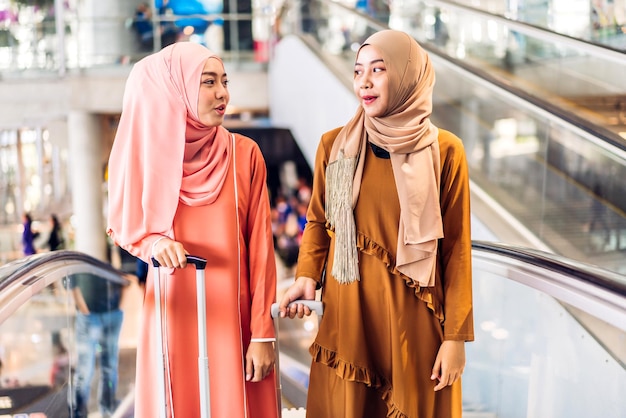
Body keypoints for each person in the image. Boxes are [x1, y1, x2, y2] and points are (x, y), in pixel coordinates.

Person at [278, 30, 474, 418]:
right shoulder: (335, 146)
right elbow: (319, 222)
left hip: (414, 326)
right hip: (349, 317)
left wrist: (455, 339)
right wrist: (306, 276)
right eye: (357, 71)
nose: (364, 82)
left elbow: (456, 251)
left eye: (379, 70)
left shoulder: (445, 151)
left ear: (407, 76)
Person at [106, 42, 278, 418]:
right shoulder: (152, 161)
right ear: (177, 90)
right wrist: (154, 243)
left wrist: (263, 333)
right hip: (172, 318)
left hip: (238, 323)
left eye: (224, 81)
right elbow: (129, 229)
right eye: (208, 82)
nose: (222, 94)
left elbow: (262, 251)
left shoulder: (244, 155)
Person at [68, 273, 125, 418]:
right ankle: (79, 413)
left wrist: (120, 305)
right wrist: (84, 310)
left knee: (110, 365)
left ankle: (107, 407)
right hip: (90, 313)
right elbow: (70, 281)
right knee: (85, 368)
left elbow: (126, 277)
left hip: (112, 311)